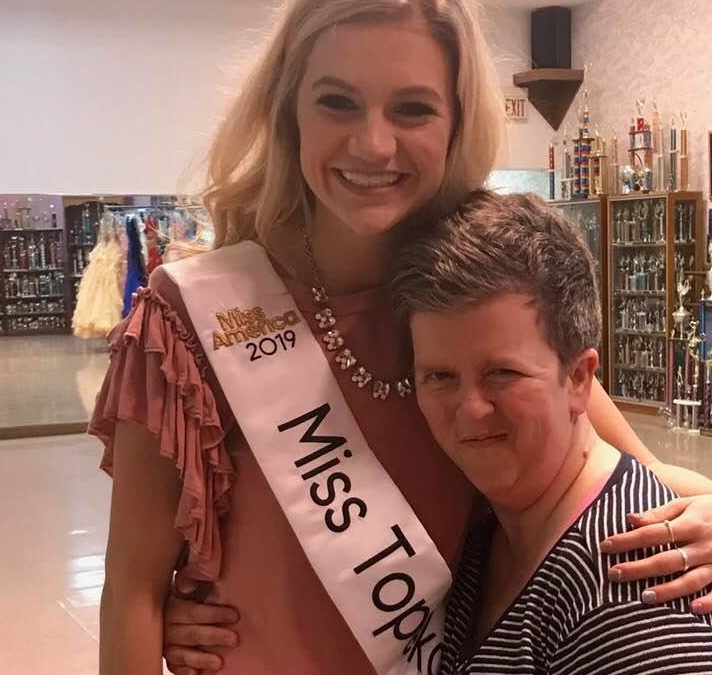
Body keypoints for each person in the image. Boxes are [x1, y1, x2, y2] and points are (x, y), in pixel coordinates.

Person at [90, 2, 712, 674]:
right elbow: (133, 591)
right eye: (337, 102)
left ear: (456, 123)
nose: (374, 145)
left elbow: (634, 476)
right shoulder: (192, 318)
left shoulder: (473, 308)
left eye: (413, 109)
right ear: (287, 113)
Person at [391, 190, 712, 674]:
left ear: (580, 378)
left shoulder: (627, 599)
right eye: (439, 377)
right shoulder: (487, 528)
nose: (471, 411)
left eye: (502, 373)